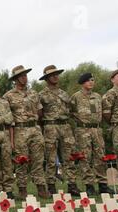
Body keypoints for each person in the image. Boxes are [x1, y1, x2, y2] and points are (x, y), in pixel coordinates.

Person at [3, 65, 49, 199]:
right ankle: (22, 190)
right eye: (21, 76)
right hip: (19, 130)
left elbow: (40, 112)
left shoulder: (34, 93)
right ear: (15, 79)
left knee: (38, 160)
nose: (24, 78)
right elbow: (7, 118)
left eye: (25, 75)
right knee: (21, 161)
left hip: (35, 129)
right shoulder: (8, 96)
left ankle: (41, 188)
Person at [69, 73, 114, 196]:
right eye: (89, 80)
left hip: (97, 130)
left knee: (100, 156)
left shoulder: (98, 97)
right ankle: (89, 185)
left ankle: (103, 185)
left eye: (93, 80)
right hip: (83, 131)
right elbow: (71, 112)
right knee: (84, 157)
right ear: (83, 82)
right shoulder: (75, 97)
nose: (91, 82)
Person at [39, 65, 80, 196]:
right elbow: (39, 115)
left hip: (65, 127)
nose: (55, 76)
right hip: (50, 127)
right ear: (46, 78)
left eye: (56, 74)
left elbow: (71, 111)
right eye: (52, 75)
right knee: (51, 159)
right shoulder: (41, 95)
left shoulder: (64, 93)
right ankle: (51, 186)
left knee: (69, 157)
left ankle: (72, 185)